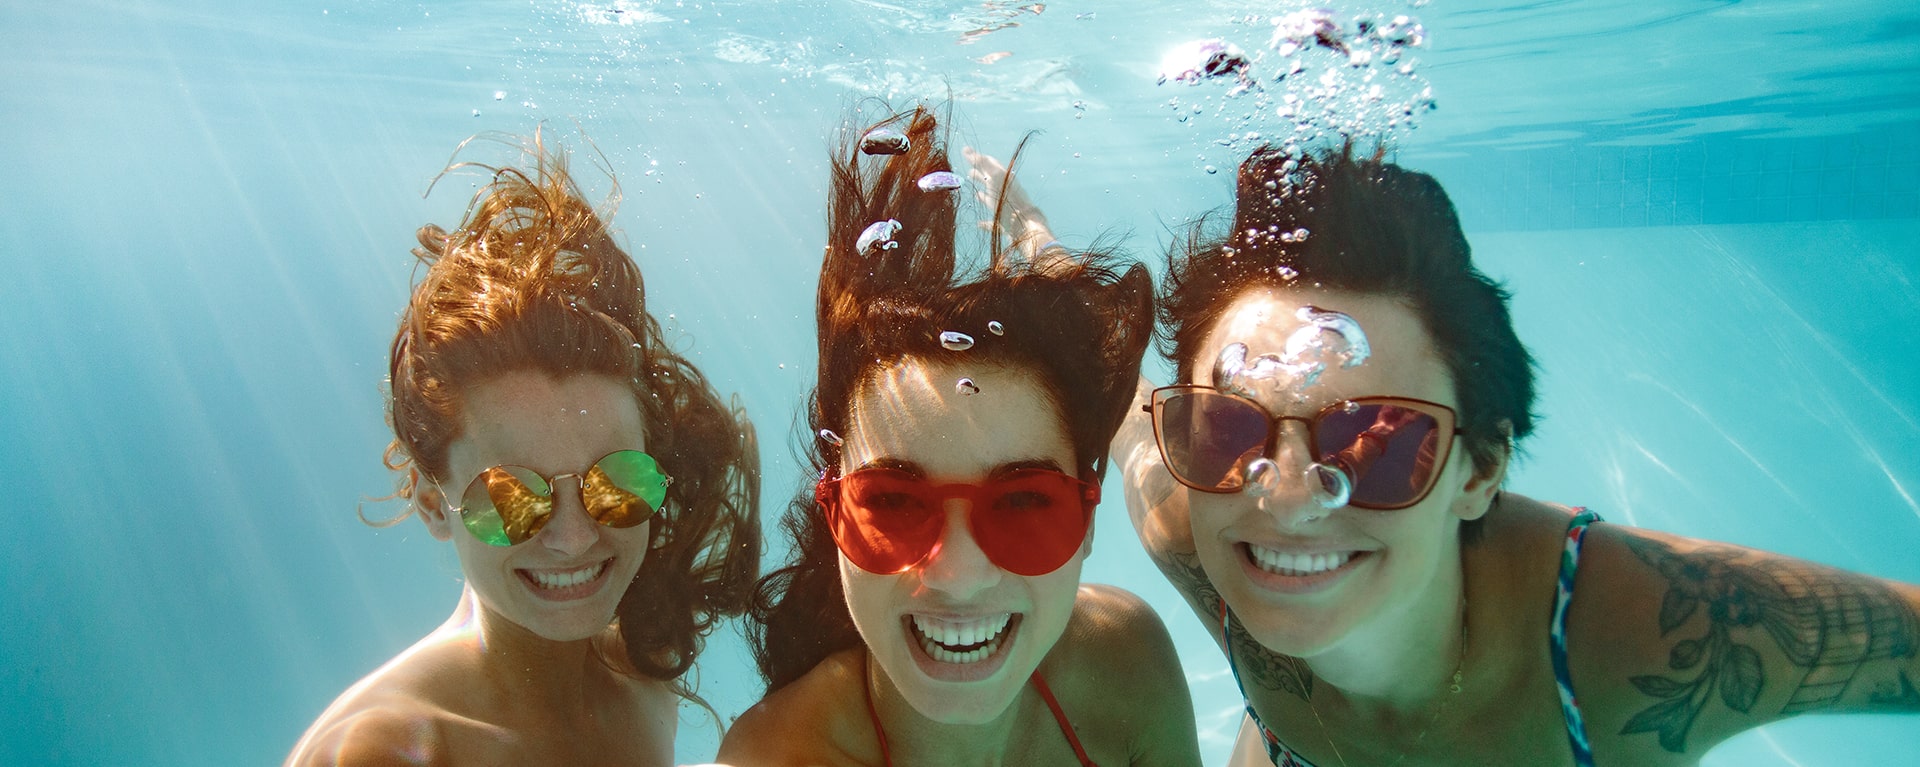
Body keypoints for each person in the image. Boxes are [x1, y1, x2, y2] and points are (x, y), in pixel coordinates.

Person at [1115, 144, 1920, 767]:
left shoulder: (1648, 633)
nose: (1287, 499)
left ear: (1482, 468)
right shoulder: (1194, 524)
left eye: (1381, 446)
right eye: (1227, 430)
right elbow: (1121, 404)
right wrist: (1036, 240)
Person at [717, 105, 1201, 766]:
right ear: (833, 514)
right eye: (892, 501)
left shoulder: (1129, 662)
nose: (960, 575)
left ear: (1089, 519)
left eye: (1026, 501)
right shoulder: (776, 756)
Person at [286, 135, 759, 766]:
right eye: (510, 498)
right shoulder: (389, 751)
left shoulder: (642, 680)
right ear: (433, 504)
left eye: (615, 484)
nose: (572, 537)